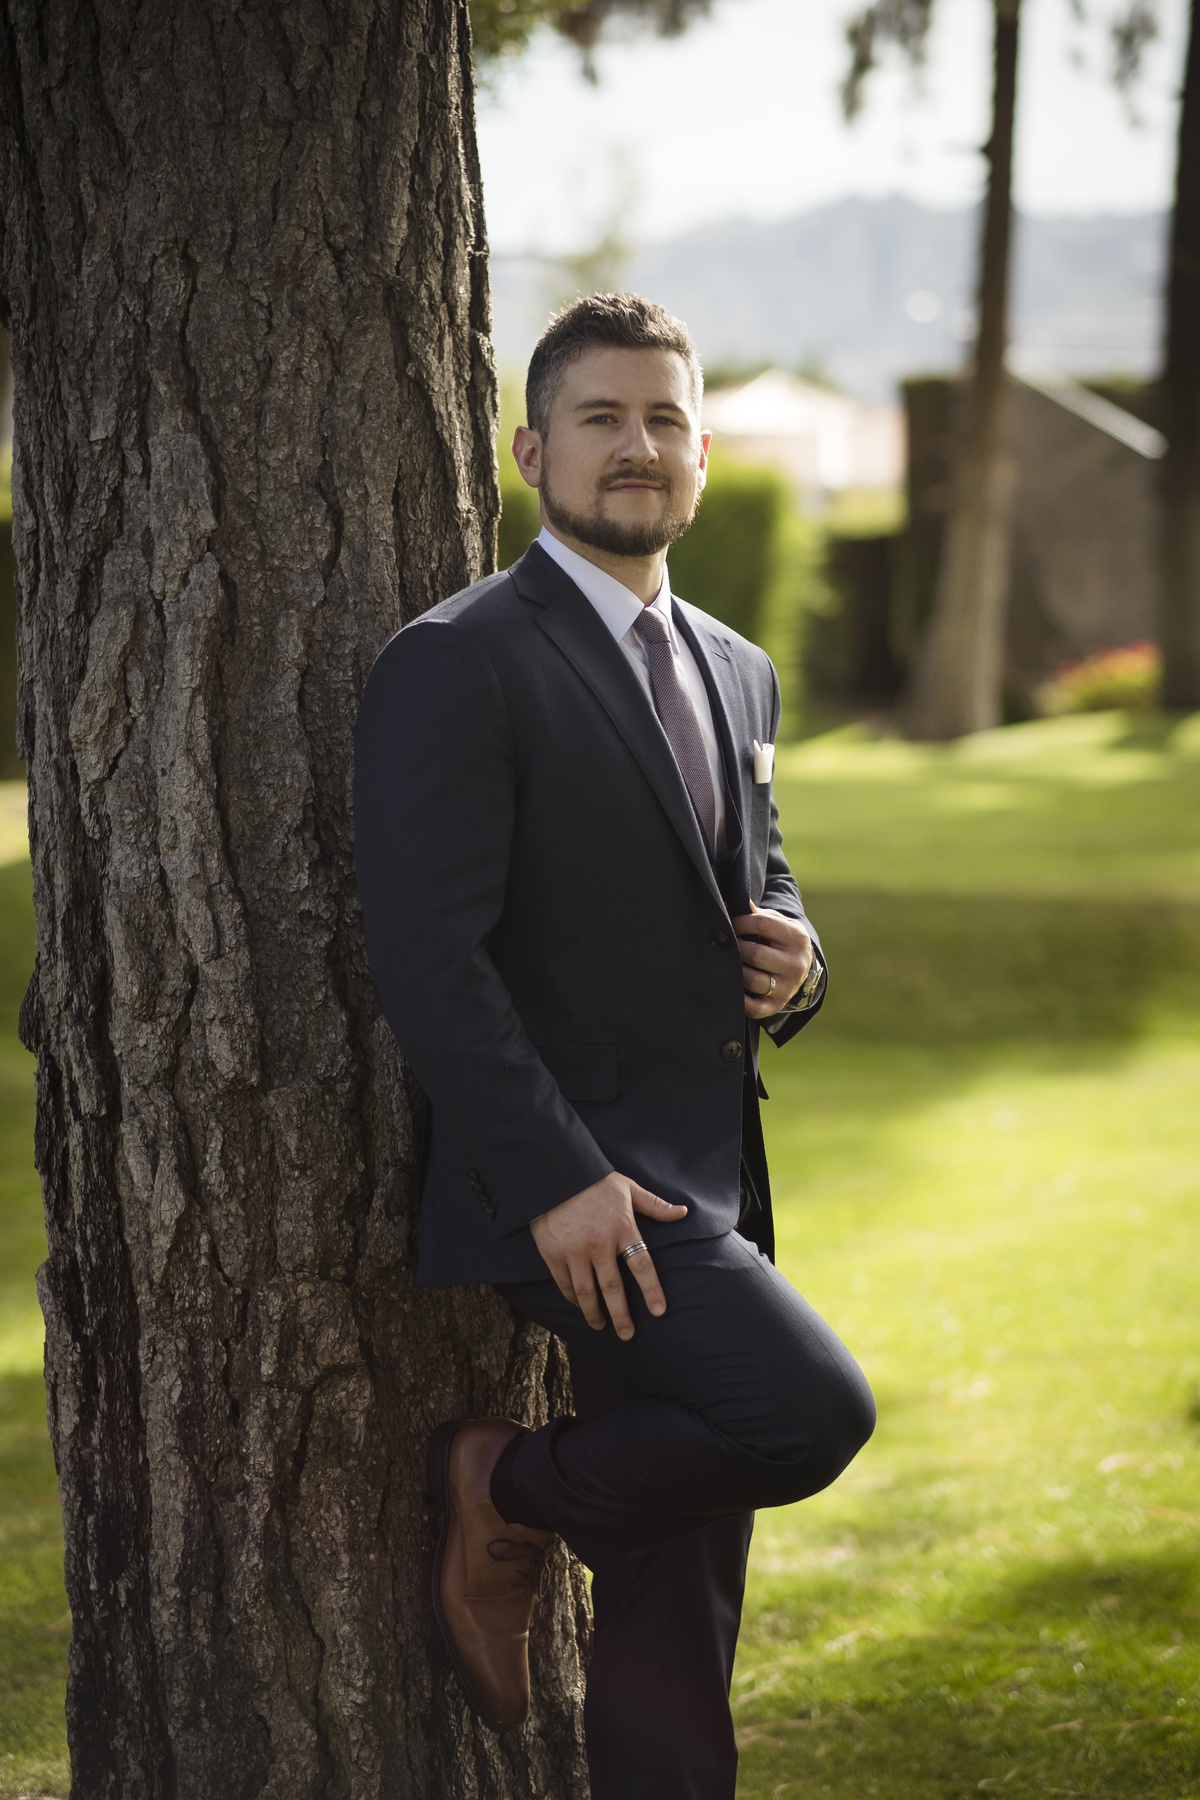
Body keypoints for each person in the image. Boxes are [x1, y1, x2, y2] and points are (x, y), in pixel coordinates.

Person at [353, 292, 875, 1800]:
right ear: (532, 451)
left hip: (715, 1181)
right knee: (808, 1411)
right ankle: (506, 1486)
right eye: (600, 418)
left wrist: (799, 955)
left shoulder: (737, 665)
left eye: (664, 419)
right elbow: (432, 959)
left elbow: (758, 878)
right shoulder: (457, 660)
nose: (637, 446)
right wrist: (555, 1182)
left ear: (701, 452)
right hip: (579, 1193)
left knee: (676, 1605)